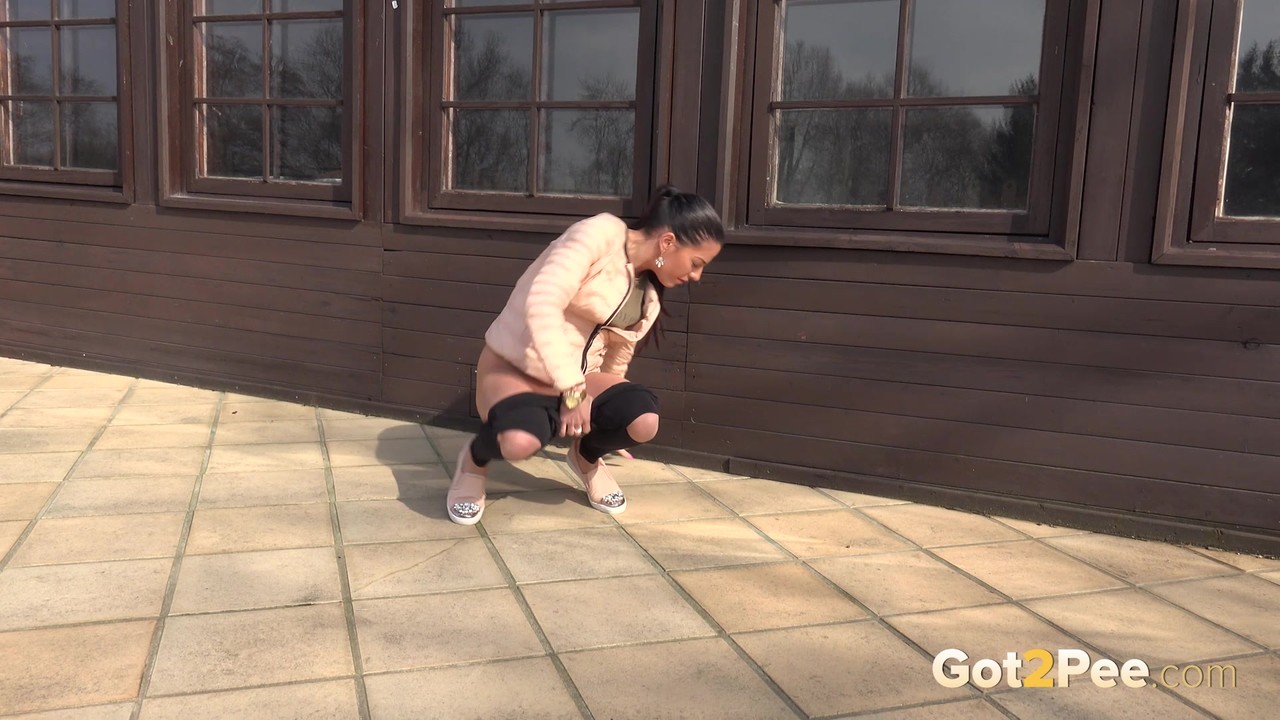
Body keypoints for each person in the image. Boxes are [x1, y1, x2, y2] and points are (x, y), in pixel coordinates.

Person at [446, 185, 725, 525]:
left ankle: (586, 458)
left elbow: (618, 354)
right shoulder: (599, 235)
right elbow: (542, 303)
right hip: (517, 367)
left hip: (578, 377)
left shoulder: (648, 292)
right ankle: (474, 462)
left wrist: (609, 423)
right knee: (519, 442)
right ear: (668, 242)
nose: (696, 276)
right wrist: (574, 392)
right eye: (696, 263)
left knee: (642, 420)